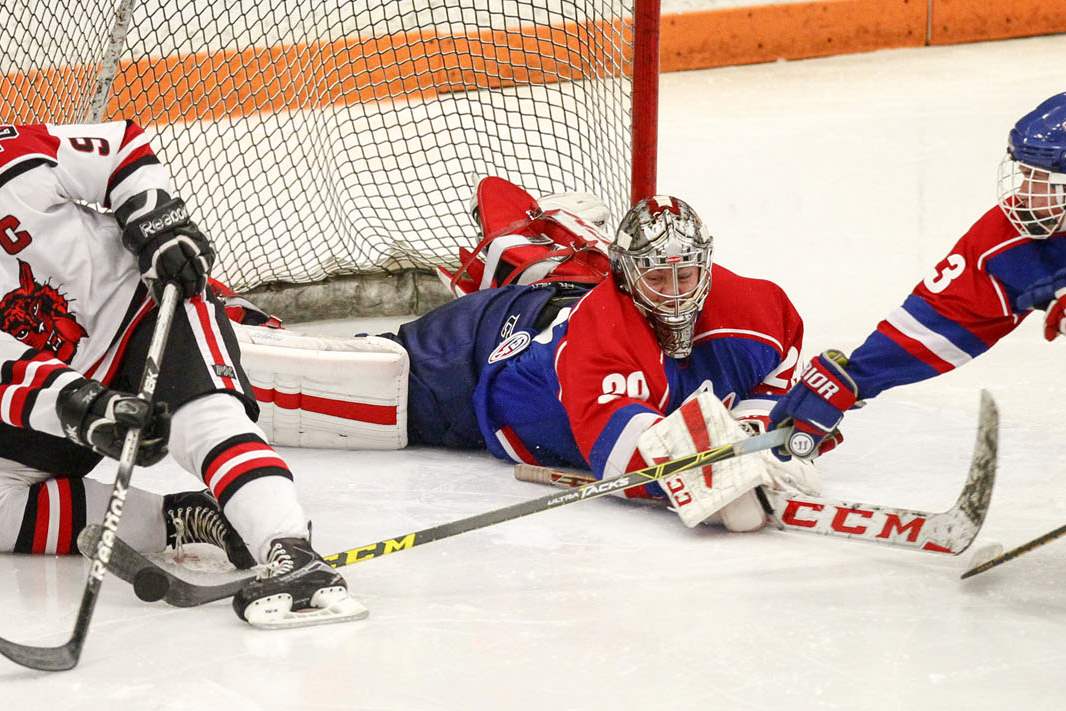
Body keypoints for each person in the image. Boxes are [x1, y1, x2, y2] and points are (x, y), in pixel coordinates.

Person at [0, 121, 363, 627]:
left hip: (144, 309)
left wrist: (158, 227)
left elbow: (118, 149)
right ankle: (183, 517)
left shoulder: (13, 149)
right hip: (53, 385)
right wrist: (79, 405)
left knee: (204, 419)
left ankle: (290, 551)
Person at [379, 178, 821, 530]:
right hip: (477, 358)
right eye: (657, 280)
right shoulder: (602, 333)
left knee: (557, 265)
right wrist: (720, 476)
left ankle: (554, 228)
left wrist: (763, 432)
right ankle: (511, 244)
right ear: (625, 275)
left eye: (684, 275)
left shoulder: (760, 310)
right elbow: (625, 457)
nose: (674, 295)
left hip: (570, 290)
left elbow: (774, 387)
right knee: (367, 383)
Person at [768, 92, 1066, 460]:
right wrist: (853, 381)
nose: (1021, 194)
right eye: (1024, 175)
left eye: (1038, 181)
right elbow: (944, 316)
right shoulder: (1010, 237)